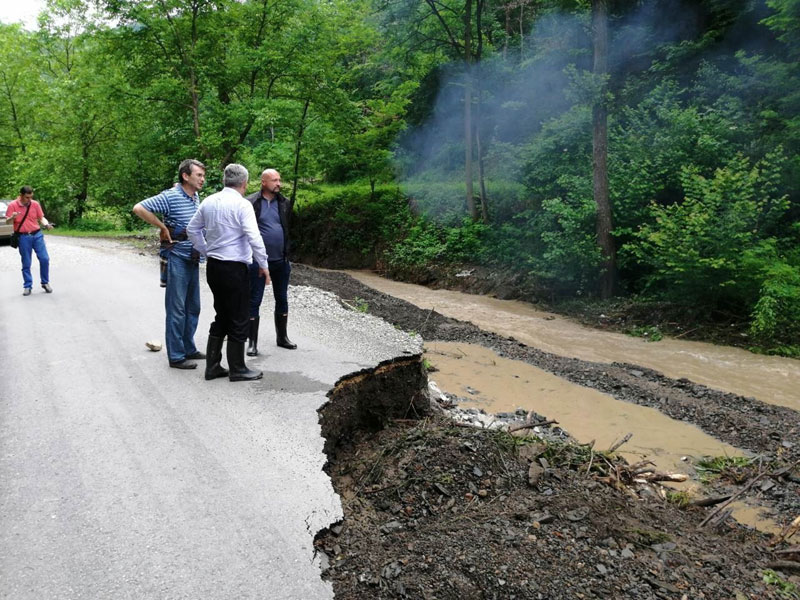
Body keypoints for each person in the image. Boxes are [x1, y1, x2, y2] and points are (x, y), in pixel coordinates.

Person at [187, 163, 271, 382]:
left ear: (225, 180)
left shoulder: (209, 201)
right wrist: (264, 265)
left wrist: (206, 250)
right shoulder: (242, 205)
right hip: (234, 268)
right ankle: (238, 368)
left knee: (222, 314)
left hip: (214, 267)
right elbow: (254, 237)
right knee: (240, 316)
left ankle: (213, 366)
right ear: (244, 183)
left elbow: (191, 229)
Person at [132, 159, 206, 369]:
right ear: (185, 176)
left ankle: (188, 347)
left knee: (193, 307)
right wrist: (162, 227)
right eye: (198, 175)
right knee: (177, 308)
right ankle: (176, 355)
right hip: (177, 258)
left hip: (192, 257)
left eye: (203, 175)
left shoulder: (194, 197)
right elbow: (139, 208)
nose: (202, 179)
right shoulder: (171, 196)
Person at [245, 168, 297, 356]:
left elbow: (286, 228)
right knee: (254, 300)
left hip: (280, 260)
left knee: (282, 298)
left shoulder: (284, 203)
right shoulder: (251, 202)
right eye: (274, 180)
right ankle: (252, 343)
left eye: (279, 180)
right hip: (258, 261)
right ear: (263, 182)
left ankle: (282, 337)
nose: (278, 184)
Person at [5, 186, 55, 296]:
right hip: (23, 237)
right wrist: (12, 217)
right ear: (21, 195)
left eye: (31, 197)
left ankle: (45, 283)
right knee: (26, 262)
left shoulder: (35, 204)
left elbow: (41, 217)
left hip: (37, 234)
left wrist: (46, 224)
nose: (29, 199)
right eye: (27, 197)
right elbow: (8, 222)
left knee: (44, 258)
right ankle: (27, 286)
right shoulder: (13, 205)